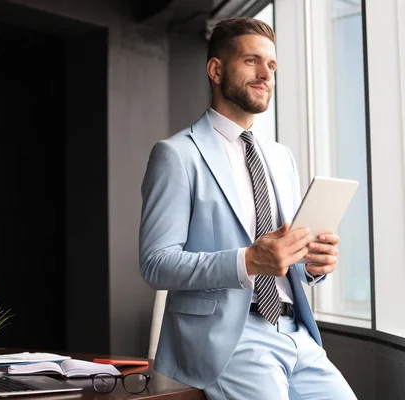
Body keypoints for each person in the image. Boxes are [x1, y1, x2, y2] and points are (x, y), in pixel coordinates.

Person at [139, 17, 357, 400]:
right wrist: (247, 261)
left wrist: (314, 263)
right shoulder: (177, 155)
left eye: (272, 66)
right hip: (231, 340)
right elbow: (156, 263)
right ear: (216, 70)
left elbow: (286, 259)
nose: (266, 74)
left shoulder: (280, 157)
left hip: (298, 335)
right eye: (252, 61)